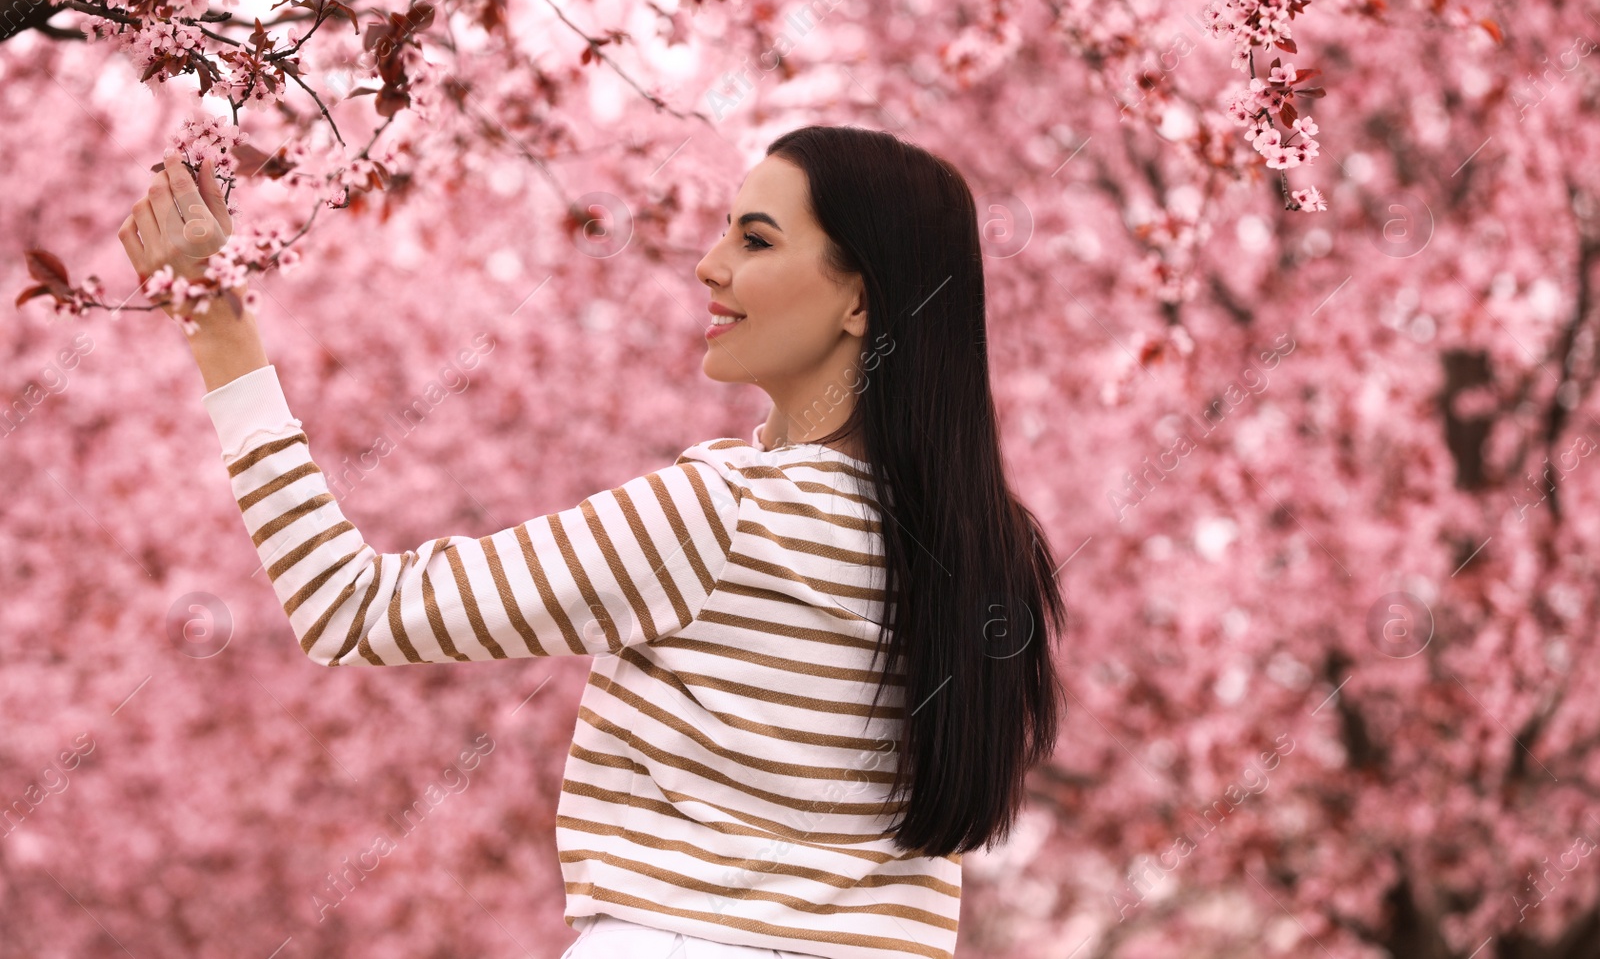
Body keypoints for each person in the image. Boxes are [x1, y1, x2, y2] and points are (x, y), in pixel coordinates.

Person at [118, 125, 1068, 959]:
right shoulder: (990, 557)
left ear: (861, 300)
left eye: (755, 238)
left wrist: (217, 324)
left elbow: (349, 606)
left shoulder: (730, 514)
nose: (710, 264)